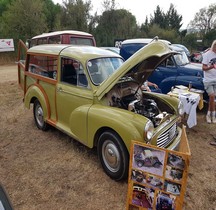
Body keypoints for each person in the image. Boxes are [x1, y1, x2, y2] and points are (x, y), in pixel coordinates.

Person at [202, 40, 216, 123]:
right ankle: (211, 115)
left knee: (214, 99)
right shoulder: (207, 54)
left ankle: (210, 114)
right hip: (208, 80)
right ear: (214, 46)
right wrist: (211, 67)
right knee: (212, 96)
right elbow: (203, 68)